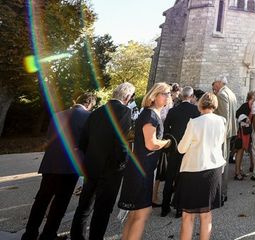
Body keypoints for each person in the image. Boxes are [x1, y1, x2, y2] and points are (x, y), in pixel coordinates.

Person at [23, 93, 96, 240]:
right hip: (70, 166)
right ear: (89, 104)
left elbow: (50, 138)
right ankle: (48, 235)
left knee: (42, 199)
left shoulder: (58, 115)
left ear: (77, 100)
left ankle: (29, 234)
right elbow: (87, 144)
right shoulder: (89, 118)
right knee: (60, 202)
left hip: (51, 163)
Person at [70, 83, 134, 240]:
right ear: (127, 97)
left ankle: (77, 237)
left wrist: (91, 157)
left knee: (84, 206)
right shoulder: (124, 111)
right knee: (103, 209)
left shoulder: (96, 112)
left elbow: (83, 141)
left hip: (91, 165)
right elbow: (121, 141)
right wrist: (122, 162)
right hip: (111, 168)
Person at [118, 83, 173, 240]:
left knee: (136, 214)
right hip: (141, 168)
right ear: (154, 96)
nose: (168, 96)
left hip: (143, 167)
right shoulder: (150, 114)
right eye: (165, 93)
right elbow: (151, 143)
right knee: (142, 213)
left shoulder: (154, 113)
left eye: (169, 93)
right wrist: (167, 142)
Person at [174, 92, 226, 240]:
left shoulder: (194, 122)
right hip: (213, 168)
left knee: (188, 216)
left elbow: (182, 148)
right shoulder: (221, 121)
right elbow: (220, 142)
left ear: (200, 104)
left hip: (194, 170)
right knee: (206, 215)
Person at [162, 86, 201, 217]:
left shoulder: (173, 110)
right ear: (191, 97)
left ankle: (164, 207)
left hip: (174, 147)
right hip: (188, 148)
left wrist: (170, 141)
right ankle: (179, 208)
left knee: (170, 176)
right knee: (182, 177)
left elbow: (166, 128)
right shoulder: (196, 111)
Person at [211, 76, 238, 200]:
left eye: (215, 82)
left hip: (223, 134)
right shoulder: (230, 93)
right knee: (224, 160)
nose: (214, 85)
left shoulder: (222, 94)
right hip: (229, 132)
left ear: (220, 82)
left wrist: (219, 135)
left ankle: (220, 192)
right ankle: (222, 192)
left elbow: (223, 117)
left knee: (221, 161)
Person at [234, 91, 255, 181]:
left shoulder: (253, 106)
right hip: (242, 132)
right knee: (240, 151)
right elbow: (237, 114)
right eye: (254, 96)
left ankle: (240, 170)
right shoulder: (245, 105)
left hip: (248, 132)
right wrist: (245, 118)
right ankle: (237, 172)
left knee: (244, 151)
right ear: (251, 97)